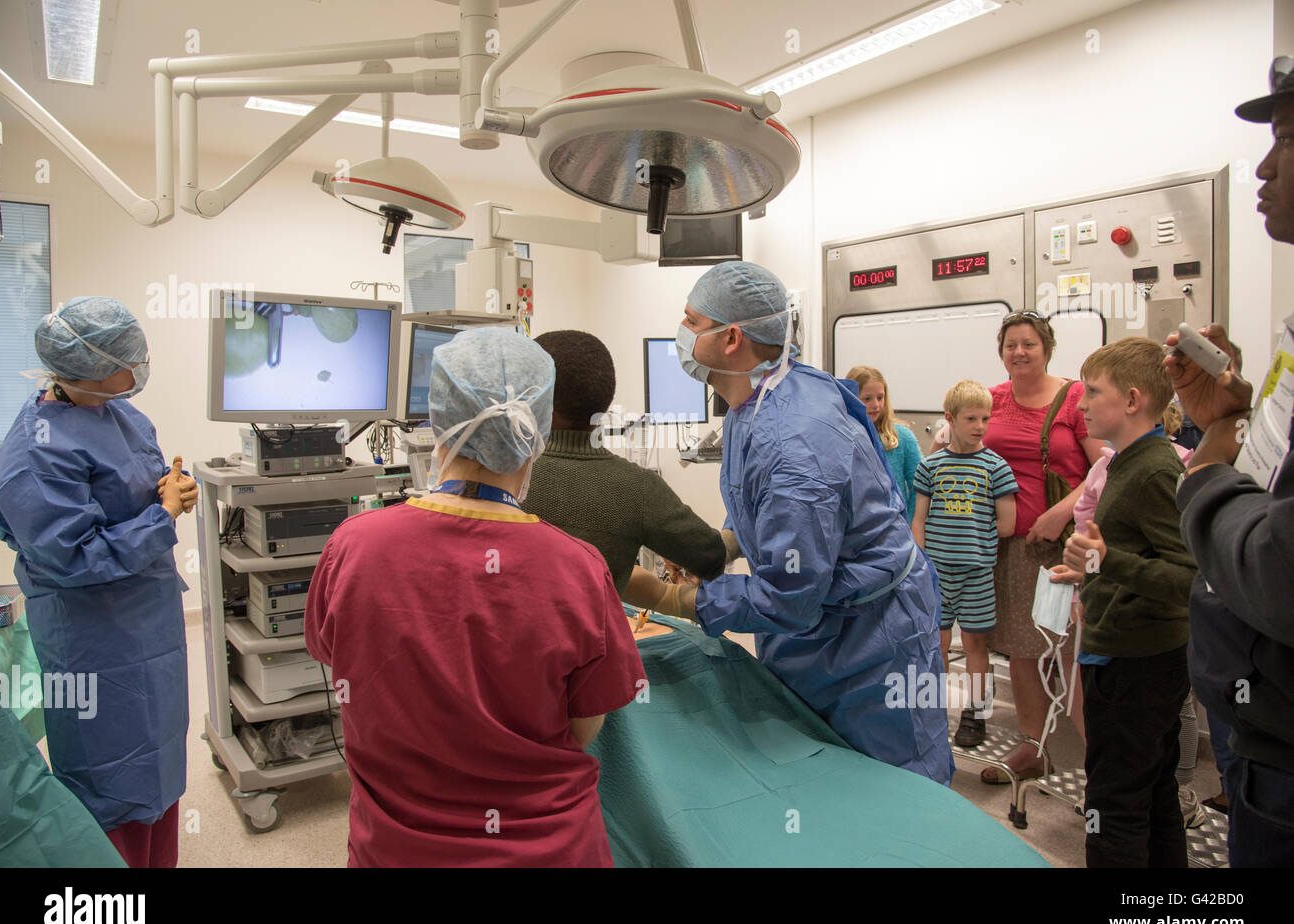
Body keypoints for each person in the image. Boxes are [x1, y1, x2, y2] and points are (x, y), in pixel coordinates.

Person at [304, 327, 646, 867]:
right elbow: (583, 727)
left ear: (437, 420)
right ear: (537, 432)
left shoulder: (354, 547)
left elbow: (339, 661)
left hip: (398, 848)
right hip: (548, 847)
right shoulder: (576, 567)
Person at [652, 261, 952, 786]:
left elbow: (790, 598)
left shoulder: (794, 440)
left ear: (731, 338)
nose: (682, 332)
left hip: (870, 641)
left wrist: (674, 599)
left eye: (691, 321)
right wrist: (724, 543)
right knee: (818, 783)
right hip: (826, 630)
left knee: (889, 794)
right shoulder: (762, 397)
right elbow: (762, 499)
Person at [0, 297, 196, 868]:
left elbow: (140, 488)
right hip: (94, 636)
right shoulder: (33, 453)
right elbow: (73, 558)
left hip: (147, 616)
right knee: (111, 774)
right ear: (86, 368)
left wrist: (171, 489)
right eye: (127, 361)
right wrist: (164, 517)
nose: (139, 371)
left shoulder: (121, 413)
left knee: (159, 760)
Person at [1163, 58, 1294, 867]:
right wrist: (1223, 425)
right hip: (1258, 739)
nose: (1264, 164)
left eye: (1285, 138)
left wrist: (1208, 484)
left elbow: (1281, 565)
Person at [1047, 337, 1196, 867]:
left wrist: (1110, 564)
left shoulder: (1155, 470)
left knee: (1113, 806)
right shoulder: (1126, 463)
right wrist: (1088, 569)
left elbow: (1187, 578)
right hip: (1129, 650)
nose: (1081, 404)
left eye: (1092, 392)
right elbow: (1136, 553)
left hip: (1137, 663)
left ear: (1131, 400)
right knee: (1152, 795)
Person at [975, 311, 1103, 784]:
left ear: (1046, 348)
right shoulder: (991, 399)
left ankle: (1101, 760)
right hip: (1011, 550)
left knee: (1073, 655)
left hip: (1066, 550)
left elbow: (1102, 469)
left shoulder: (1074, 398)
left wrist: (1061, 512)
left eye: (1029, 344)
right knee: (1021, 651)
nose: (1019, 352)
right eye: (1011, 345)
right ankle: (1033, 747)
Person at [522, 330, 728, 600]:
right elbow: (710, 556)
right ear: (607, 397)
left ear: (535, 397)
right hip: (596, 641)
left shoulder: (505, 477)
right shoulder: (638, 488)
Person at [912, 380, 1017, 748]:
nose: (980, 426)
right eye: (971, 418)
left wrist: (977, 536)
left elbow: (1008, 524)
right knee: (935, 643)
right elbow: (919, 520)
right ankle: (933, 711)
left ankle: (975, 714)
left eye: (985, 418)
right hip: (936, 574)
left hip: (976, 574)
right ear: (950, 419)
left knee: (975, 644)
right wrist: (923, 562)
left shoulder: (996, 467)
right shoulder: (931, 466)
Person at [846, 365, 922, 520]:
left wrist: (912, 526)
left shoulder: (902, 437)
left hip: (896, 529)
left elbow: (920, 487)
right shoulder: (842, 437)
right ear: (851, 398)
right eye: (867, 399)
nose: (876, 405)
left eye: (880, 398)